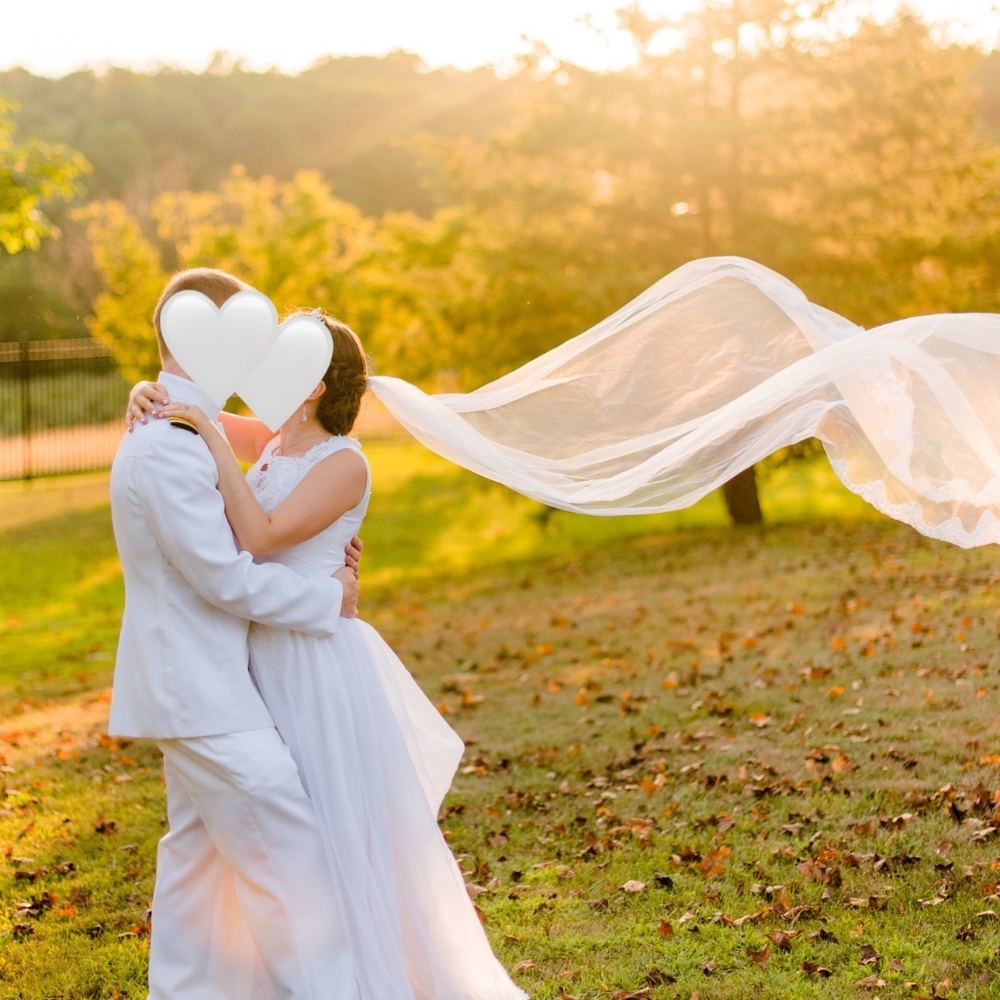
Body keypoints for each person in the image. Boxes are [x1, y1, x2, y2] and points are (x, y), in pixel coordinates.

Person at [128, 311, 528, 999]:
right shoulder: (277, 439)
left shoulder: (344, 461)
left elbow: (256, 536)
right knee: (265, 842)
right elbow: (195, 411)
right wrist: (144, 391)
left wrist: (217, 446)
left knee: (320, 831)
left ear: (312, 383)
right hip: (258, 658)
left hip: (313, 664)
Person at [111, 268, 364, 1000]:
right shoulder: (169, 441)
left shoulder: (182, 427)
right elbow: (223, 578)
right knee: (290, 855)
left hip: (201, 683)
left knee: (195, 861)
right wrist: (328, 596)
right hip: (201, 691)